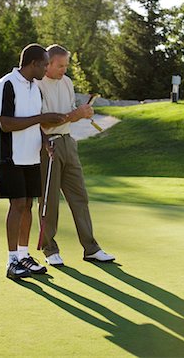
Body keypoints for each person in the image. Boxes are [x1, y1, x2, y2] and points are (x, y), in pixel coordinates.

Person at [0, 43, 67, 280]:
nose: (47, 68)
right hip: (9, 156)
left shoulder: (36, 88)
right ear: (33, 64)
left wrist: (45, 140)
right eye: (44, 64)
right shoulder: (6, 85)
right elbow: (6, 123)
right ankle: (11, 260)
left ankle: (23, 255)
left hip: (31, 156)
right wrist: (44, 118)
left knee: (28, 205)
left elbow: (34, 122)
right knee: (17, 204)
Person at [36, 44, 116, 266]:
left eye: (66, 65)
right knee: (49, 201)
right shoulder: (37, 84)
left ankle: (91, 248)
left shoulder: (67, 82)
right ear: (48, 63)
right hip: (48, 147)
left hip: (68, 143)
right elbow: (43, 120)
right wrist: (74, 114)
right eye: (60, 66)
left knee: (80, 197)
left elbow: (69, 113)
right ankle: (49, 249)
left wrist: (83, 113)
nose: (64, 70)